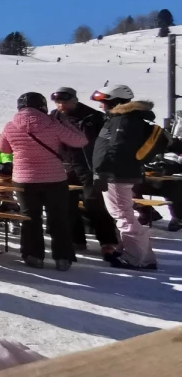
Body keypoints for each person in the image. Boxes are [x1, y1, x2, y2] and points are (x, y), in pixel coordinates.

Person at [0, 92, 88, 271]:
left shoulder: (10, 126)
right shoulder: (53, 124)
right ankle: (63, 257)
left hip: (24, 179)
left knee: (30, 217)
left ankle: (33, 256)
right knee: (58, 217)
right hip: (54, 178)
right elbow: (80, 141)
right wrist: (64, 122)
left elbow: (4, 148)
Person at [91, 85, 168, 269]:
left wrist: (103, 172)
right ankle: (138, 254)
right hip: (118, 173)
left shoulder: (123, 120)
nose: (101, 106)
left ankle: (137, 258)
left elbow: (118, 149)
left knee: (123, 216)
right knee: (123, 214)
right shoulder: (124, 119)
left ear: (115, 102)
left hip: (116, 175)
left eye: (104, 102)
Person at [48, 87, 119, 255]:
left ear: (74, 100)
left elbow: (107, 142)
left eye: (65, 102)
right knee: (67, 205)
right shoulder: (55, 116)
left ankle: (107, 241)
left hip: (89, 165)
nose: (61, 106)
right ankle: (76, 239)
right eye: (58, 103)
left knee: (94, 203)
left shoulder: (93, 117)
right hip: (66, 165)